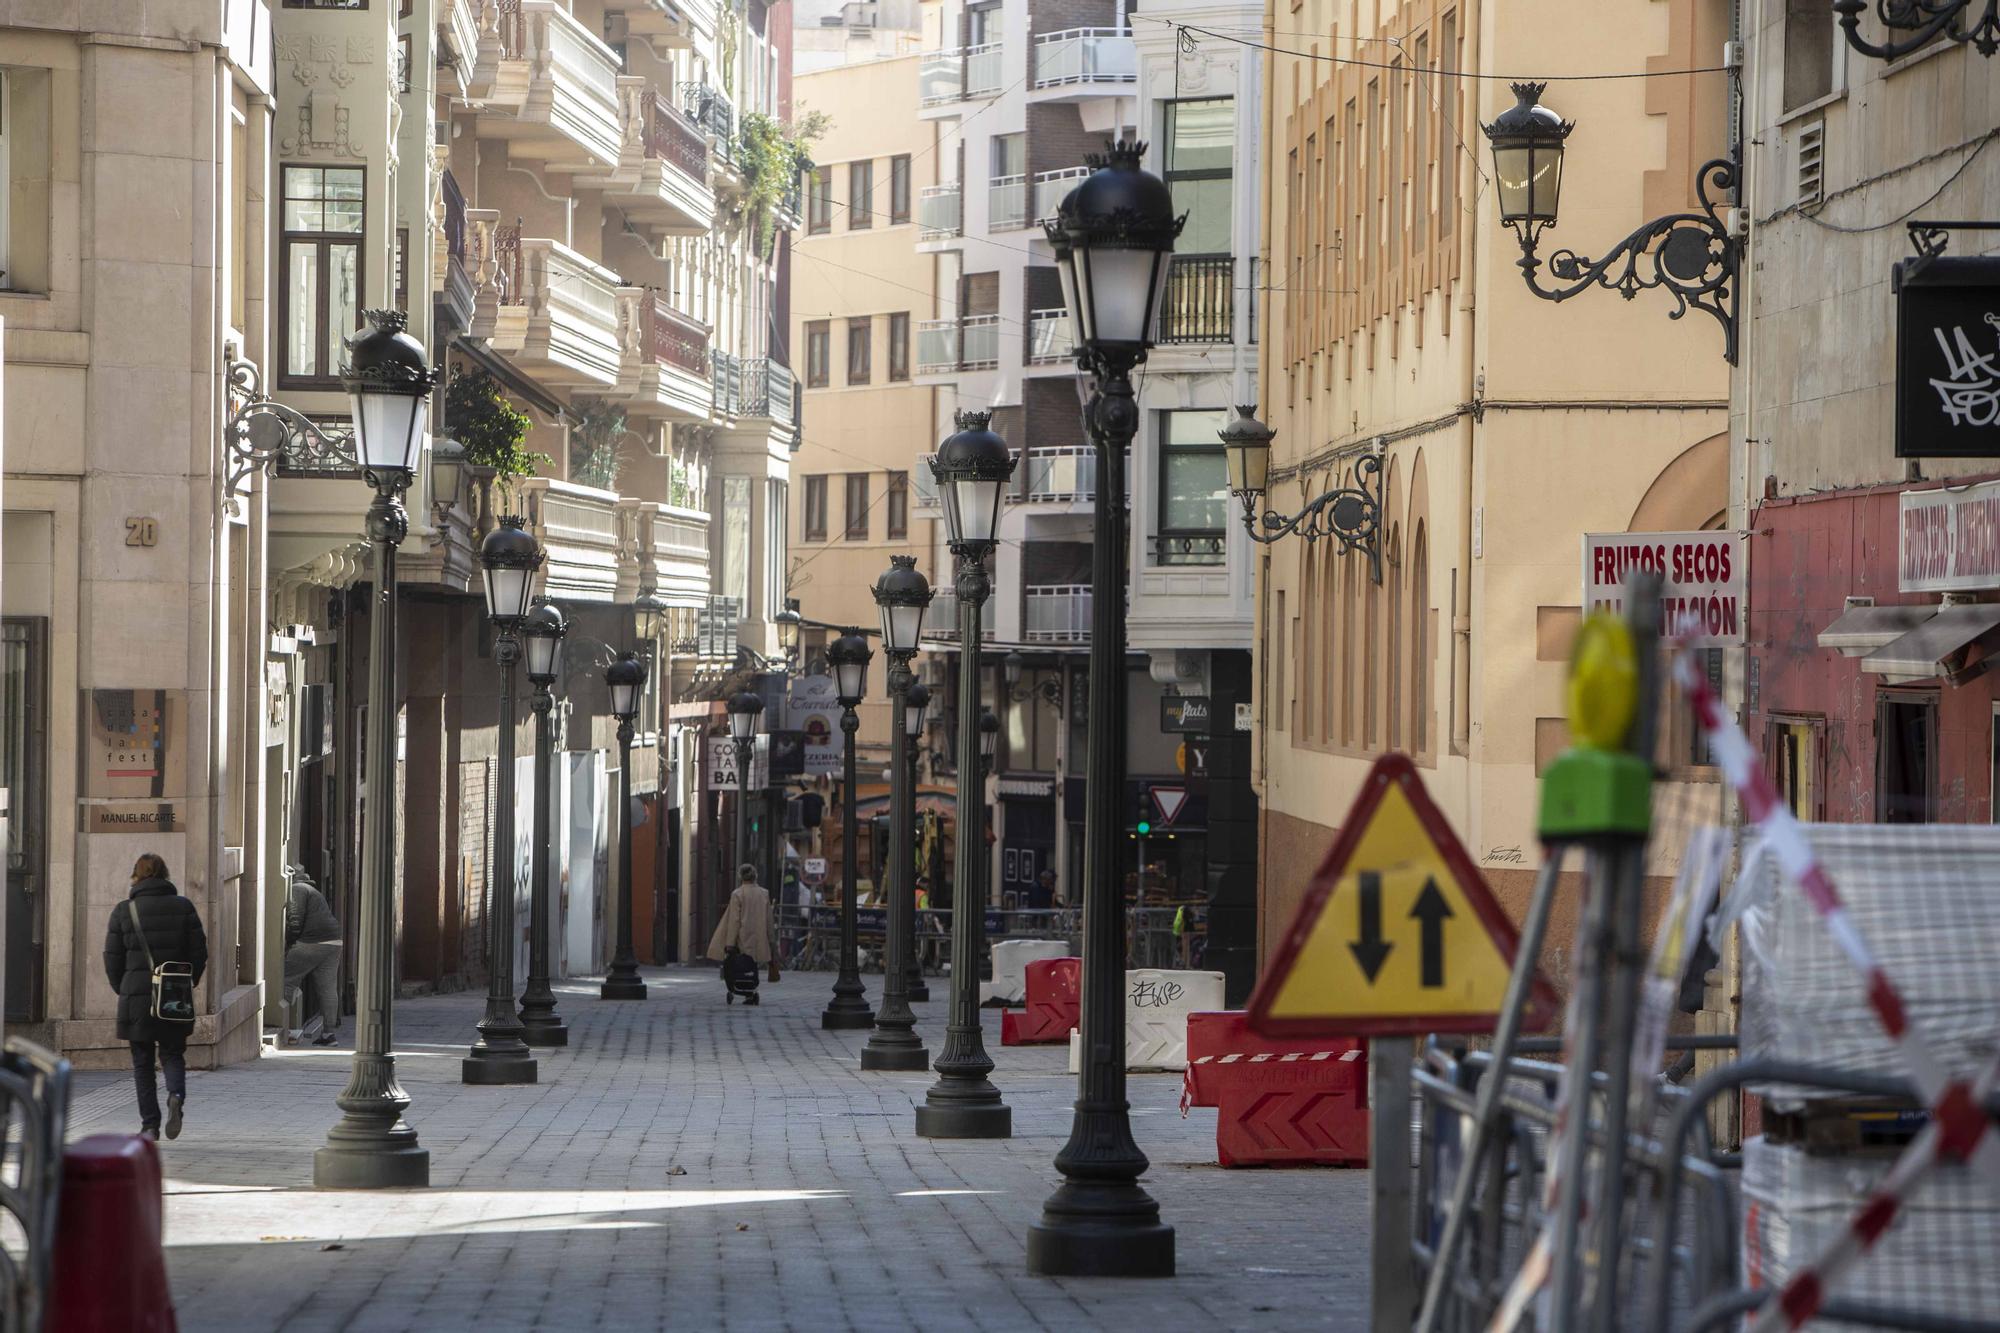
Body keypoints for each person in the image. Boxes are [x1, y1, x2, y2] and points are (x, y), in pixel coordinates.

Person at [103, 853, 207, 1142]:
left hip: (136, 995)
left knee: (142, 1062)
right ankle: (175, 1095)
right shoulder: (184, 907)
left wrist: (122, 988)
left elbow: (112, 958)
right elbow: (199, 952)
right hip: (173, 995)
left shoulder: (125, 911)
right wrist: (188, 983)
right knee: (173, 1053)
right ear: (165, 874)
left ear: (136, 876)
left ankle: (150, 1126)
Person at [282, 868, 343, 1046]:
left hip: (311, 942)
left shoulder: (297, 889)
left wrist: (290, 942)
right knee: (328, 988)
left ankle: (282, 1025)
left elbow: (295, 919)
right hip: (334, 942)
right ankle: (329, 1034)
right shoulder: (314, 892)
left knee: (285, 979)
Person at [707, 863, 772, 1005]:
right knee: (752, 965)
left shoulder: (737, 894)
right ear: (755, 875)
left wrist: (730, 943)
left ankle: (738, 988)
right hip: (758, 937)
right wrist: (771, 940)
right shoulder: (764, 893)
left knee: (740, 965)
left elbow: (734, 921)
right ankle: (751, 991)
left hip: (742, 937)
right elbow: (769, 920)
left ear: (740, 876)